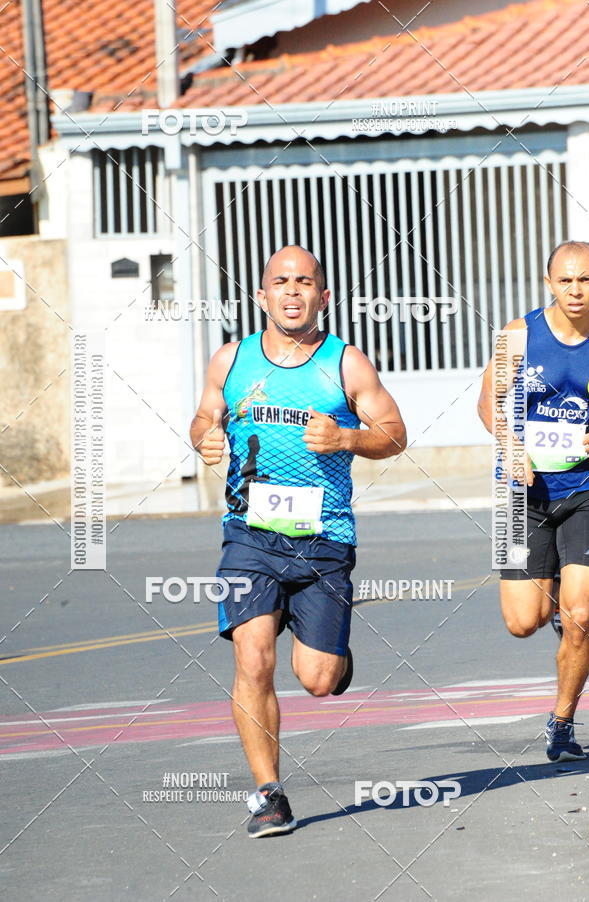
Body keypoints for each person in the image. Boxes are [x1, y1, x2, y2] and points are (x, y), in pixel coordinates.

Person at [190, 245, 406, 835]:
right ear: (262, 296)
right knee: (252, 657)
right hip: (249, 534)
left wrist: (347, 439)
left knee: (318, 678)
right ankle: (269, 795)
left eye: (304, 282)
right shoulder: (231, 360)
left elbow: (394, 434)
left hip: (323, 539)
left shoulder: (346, 364)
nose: (292, 291)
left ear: (323, 296)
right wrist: (204, 437)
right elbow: (205, 417)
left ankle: (330, 653)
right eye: (281, 282)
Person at [478, 240, 589, 762]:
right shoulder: (518, 335)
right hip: (520, 493)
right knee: (522, 621)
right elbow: (488, 402)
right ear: (548, 283)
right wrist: (510, 445)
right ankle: (550, 606)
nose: (575, 290)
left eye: (586, 280)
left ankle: (563, 722)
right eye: (565, 280)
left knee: (581, 614)